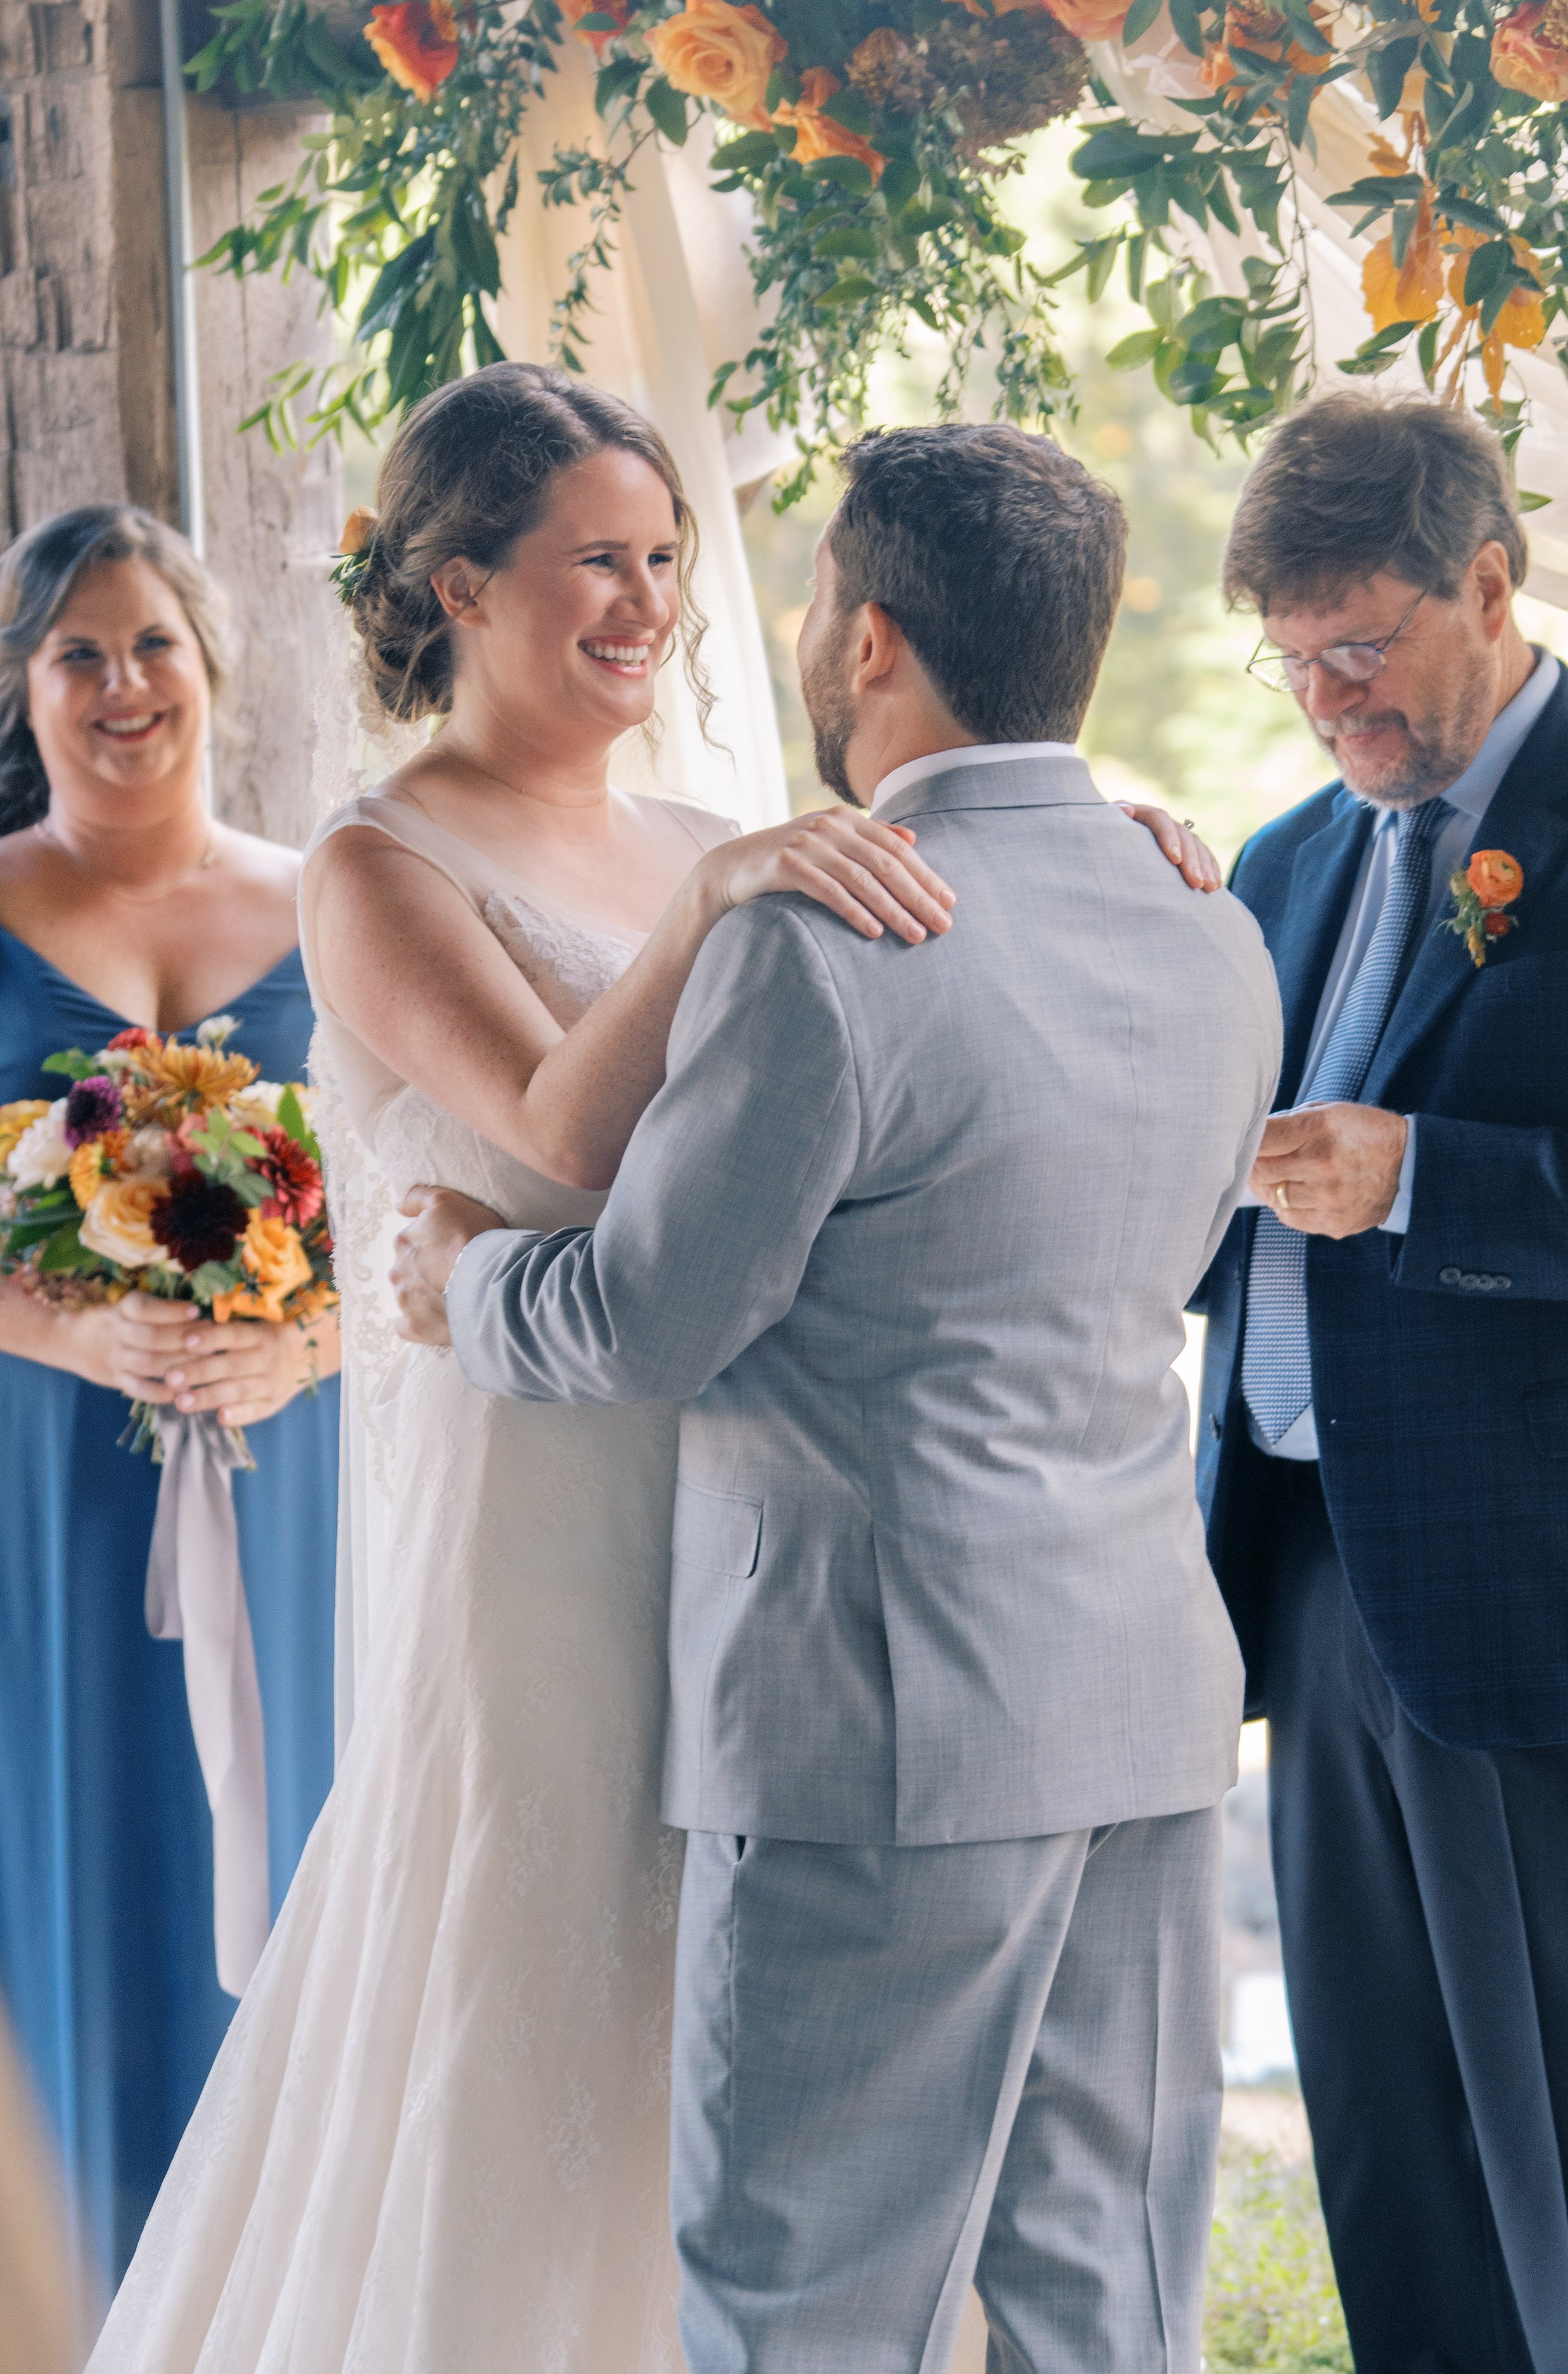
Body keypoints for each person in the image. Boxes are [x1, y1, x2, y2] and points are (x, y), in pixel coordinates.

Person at [87, 364, 1220, 2374]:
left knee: (767, 2064)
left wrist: (1099, 830)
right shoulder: (378, 863)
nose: (648, 602)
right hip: (534, 1526)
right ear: (457, 582)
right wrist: (713, 898)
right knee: (551, 1986)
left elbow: (933, 1019)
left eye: (669, 559)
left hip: (754, 1530)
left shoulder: (743, 832)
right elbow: (564, 1137)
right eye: (595, 560)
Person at [393, 420, 1282, 2372]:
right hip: (1137, 1700)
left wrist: (459, 1278)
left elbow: (639, 1322)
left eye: (803, 599)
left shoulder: (824, 935)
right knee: (1101, 2298)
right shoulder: (1208, 918)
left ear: (868, 640)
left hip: (879, 1723)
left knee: (806, 2305)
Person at [1192, 392, 1568, 2374]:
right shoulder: (1276, 859)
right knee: (1381, 2126)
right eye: (1293, 662)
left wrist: (1426, 1177)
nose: (1327, 699)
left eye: (1361, 648)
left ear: (1489, 583)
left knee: (1555, 2141)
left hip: (1529, 1581)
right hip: (1303, 1572)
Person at [0, 506, 341, 2290]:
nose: (123, 686)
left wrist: (309, 1337)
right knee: (69, 1850)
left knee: (298, 1841)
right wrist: (60, 1333)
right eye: (79, 652)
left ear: (216, 668)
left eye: (154, 647)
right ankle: (76, 2290)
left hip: (295, 1465)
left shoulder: (328, 900)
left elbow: (433, 1204)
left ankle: (274, 2296)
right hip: (43, 1474)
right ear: (25, 685)